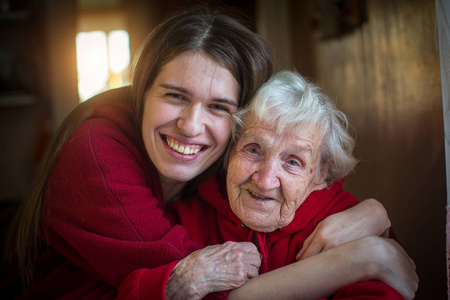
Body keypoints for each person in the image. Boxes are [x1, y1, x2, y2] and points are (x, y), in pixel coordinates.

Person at [1, 7, 407, 300]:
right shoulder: (98, 150)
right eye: (175, 96)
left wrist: (370, 213)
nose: (191, 126)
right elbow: (198, 284)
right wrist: (360, 258)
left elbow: (301, 171)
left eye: (218, 107)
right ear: (142, 91)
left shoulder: (230, 165)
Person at [161, 70, 418, 299]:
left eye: (293, 162)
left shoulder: (347, 226)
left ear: (320, 173)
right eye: (253, 149)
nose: (265, 180)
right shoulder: (179, 221)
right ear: (231, 151)